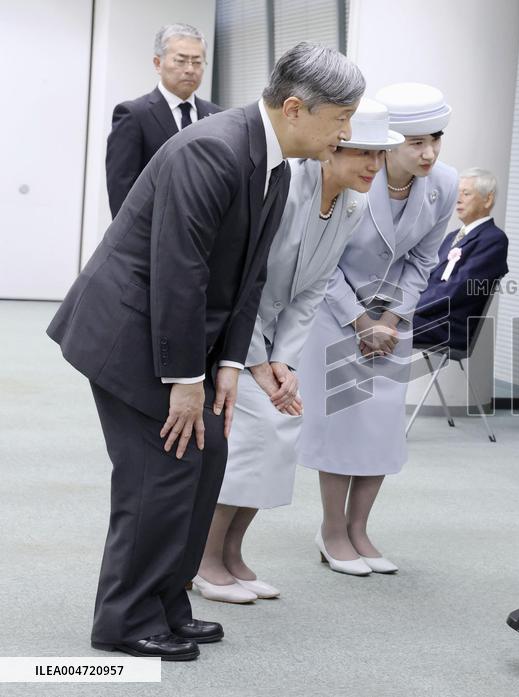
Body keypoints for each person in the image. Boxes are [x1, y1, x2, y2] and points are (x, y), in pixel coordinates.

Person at [46, 42, 364, 660]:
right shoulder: (214, 151)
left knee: (206, 461)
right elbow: (179, 273)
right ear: (297, 108)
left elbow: (247, 278)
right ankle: (124, 620)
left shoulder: (274, 159)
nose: (347, 133)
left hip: (186, 340)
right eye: (342, 119)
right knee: (159, 477)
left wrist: (227, 364)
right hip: (131, 334)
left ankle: (168, 601)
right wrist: (186, 380)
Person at [192, 99, 402, 603]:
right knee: (251, 436)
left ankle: (233, 554)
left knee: (280, 433)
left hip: (274, 340)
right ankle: (202, 559)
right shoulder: (285, 190)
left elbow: (312, 290)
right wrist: (261, 361)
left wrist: (283, 361)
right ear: (331, 151)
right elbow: (251, 283)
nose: (375, 165)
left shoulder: (351, 204)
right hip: (232, 334)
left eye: (380, 154)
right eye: (363, 153)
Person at [297, 82, 458, 576]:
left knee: (382, 425)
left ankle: (360, 529)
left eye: (435, 138)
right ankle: (331, 531)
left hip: (392, 319)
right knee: (342, 422)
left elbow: (424, 259)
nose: (428, 152)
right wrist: (360, 321)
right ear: (390, 142)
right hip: (335, 311)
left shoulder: (444, 183)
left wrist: (389, 320)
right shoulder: (352, 177)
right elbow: (322, 261)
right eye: (414, 141)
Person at [105, 23, 222, 217]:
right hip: (151, 234)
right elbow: (121, 190)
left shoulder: (217, 116)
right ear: (158, 63)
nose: (190, 69)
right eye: (181, 61)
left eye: (197, 62)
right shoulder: (133, 114)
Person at [411, 167, 509, 351]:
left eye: (466, 193)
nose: (458, 200)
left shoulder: (493, 239)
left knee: (384, 328)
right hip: (427, 318)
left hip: (450, 326)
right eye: (458, 193)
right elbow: (427, 276)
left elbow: (457, 289)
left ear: (488, 199)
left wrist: (410, 309)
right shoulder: (453, 236)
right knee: (379, 317)